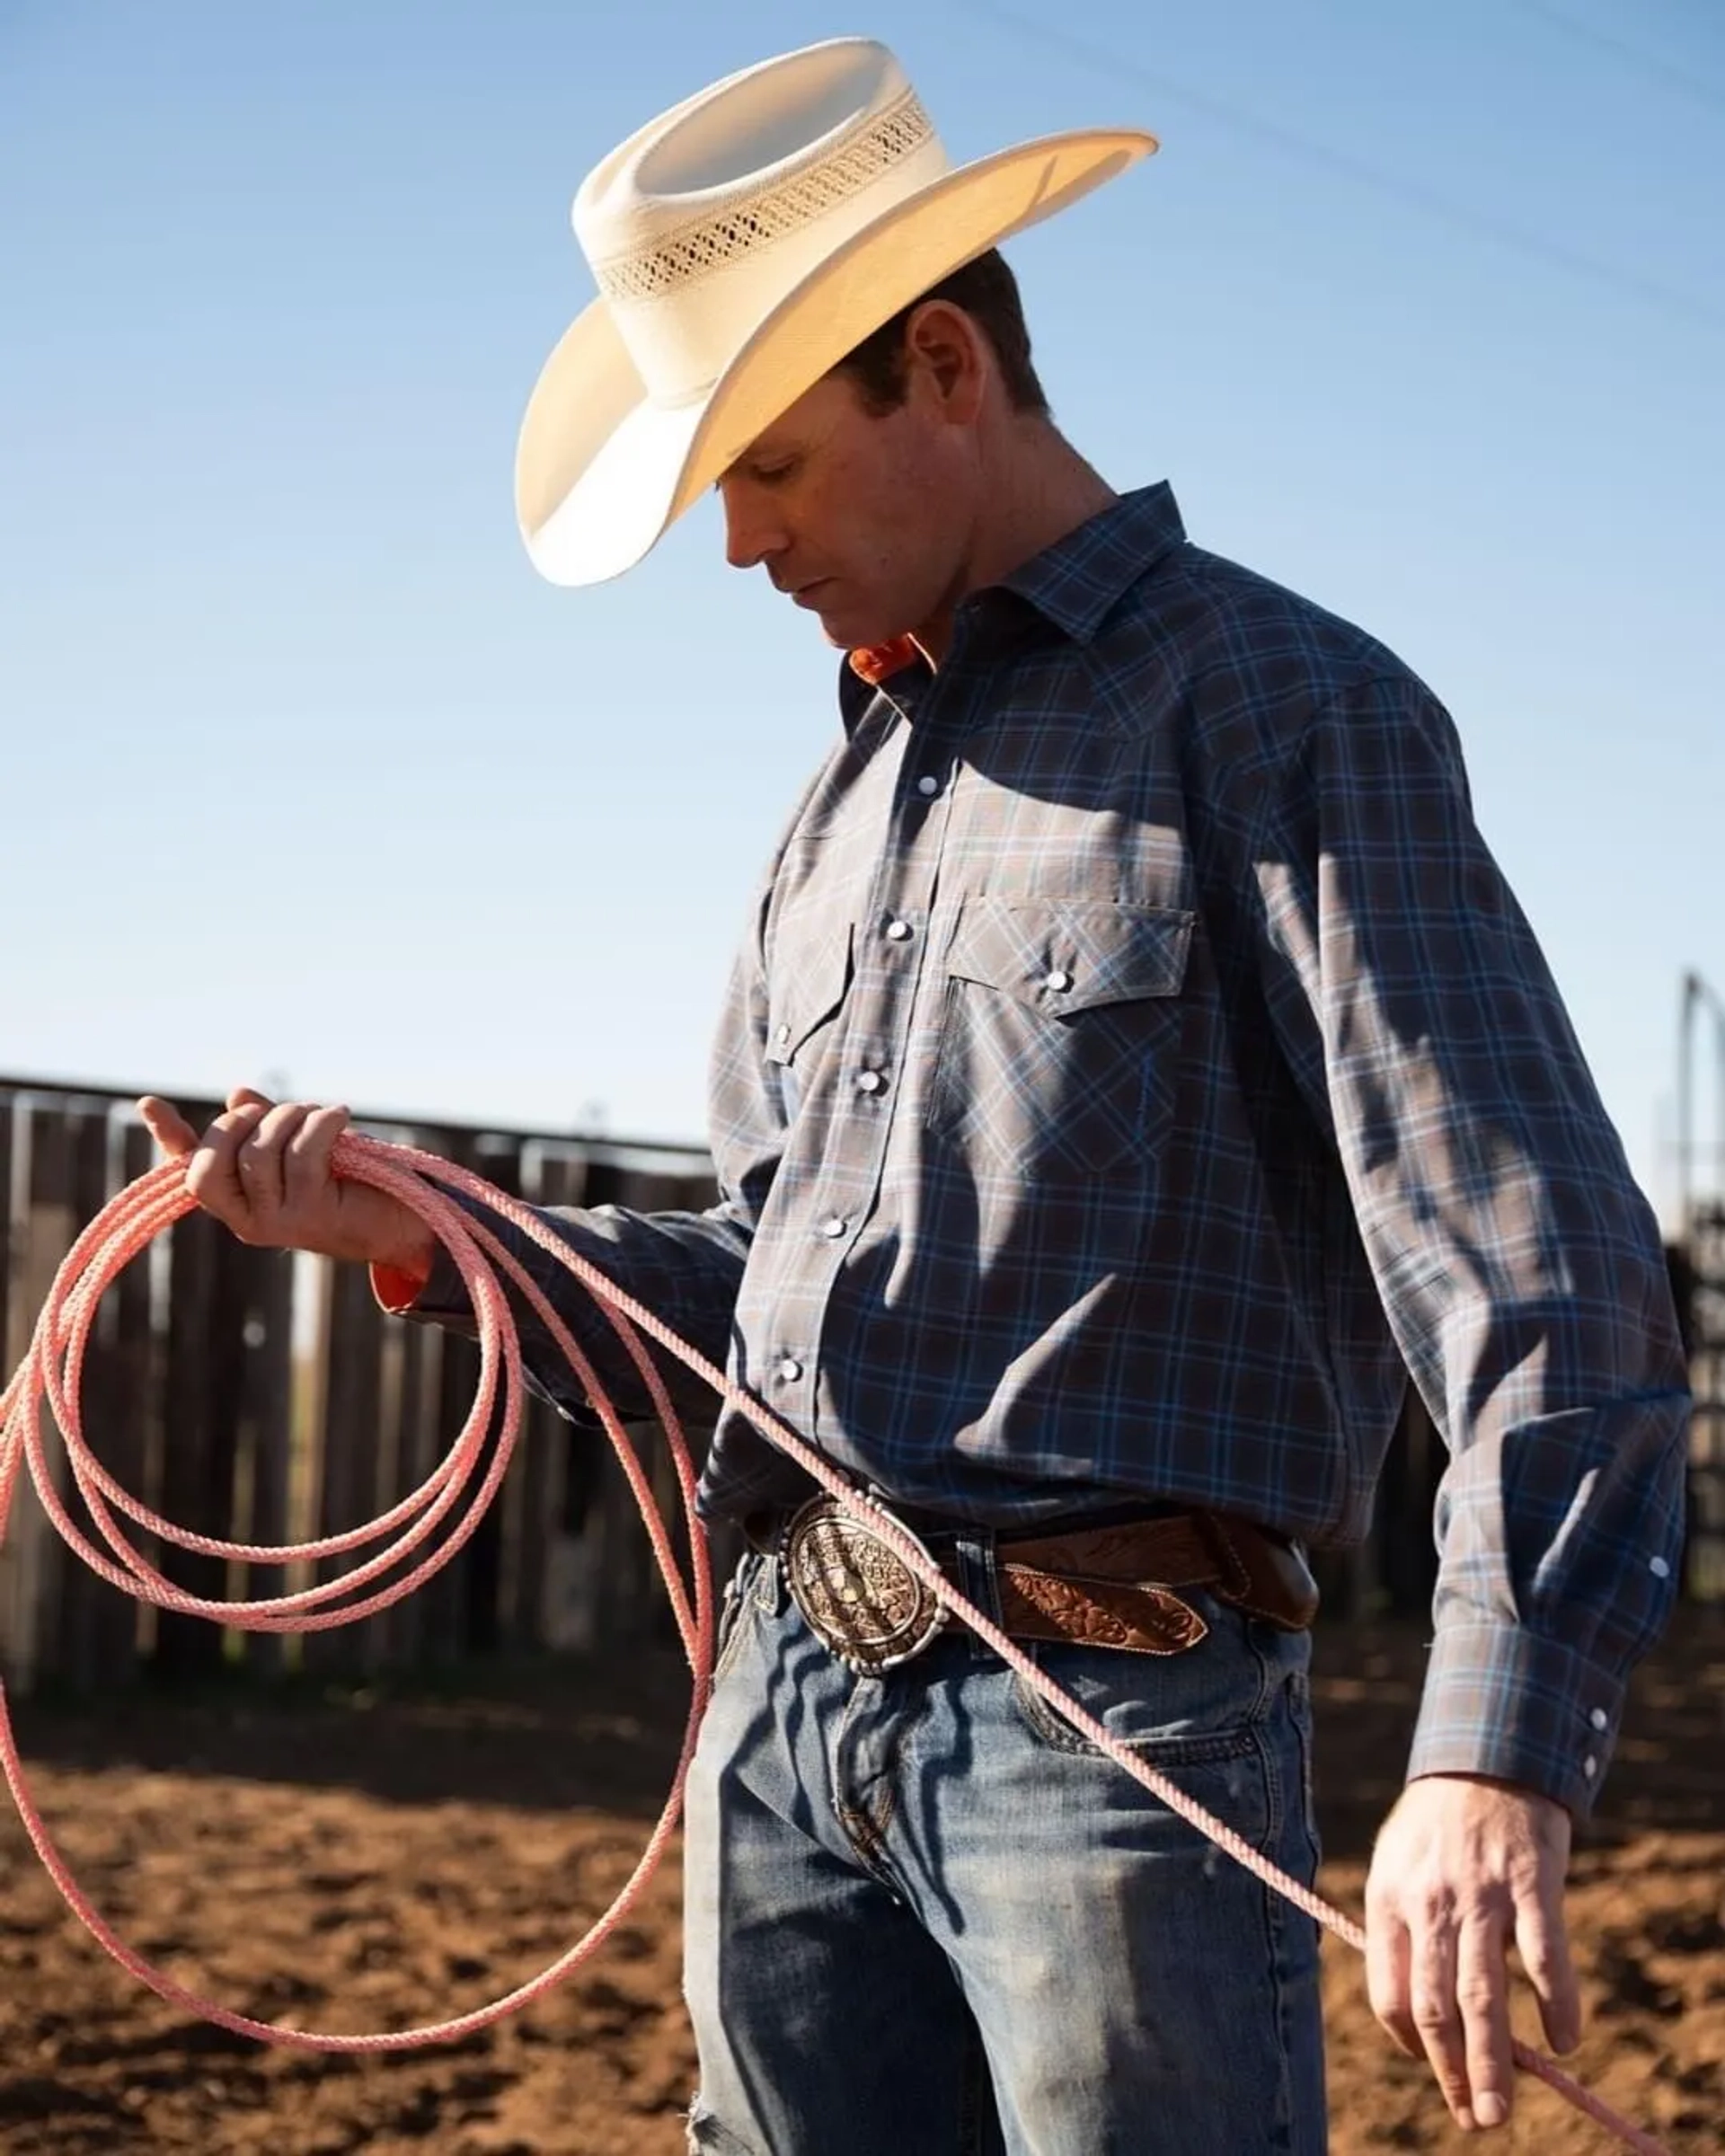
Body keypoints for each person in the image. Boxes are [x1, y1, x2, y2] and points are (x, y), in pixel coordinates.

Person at [140, 37, 1691, 2155]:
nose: (738, 545)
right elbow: (771, 1291)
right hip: (779, 1717)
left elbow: (1544, 1270)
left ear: (943, 368)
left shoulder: (1290, 712)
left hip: (1107, 1726)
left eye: (768, 468)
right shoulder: (830, 817)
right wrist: (428, 1231)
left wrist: (1488, 1756)